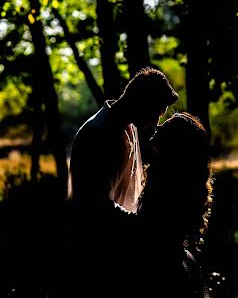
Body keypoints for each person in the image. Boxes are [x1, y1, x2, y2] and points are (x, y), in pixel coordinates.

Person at [54, 66, 179, 298]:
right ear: (142, 102)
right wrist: (147, 227)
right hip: (94, 259)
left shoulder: (129, 127)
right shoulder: (99, 135)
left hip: (119, 253)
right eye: (157, 112)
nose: (156, 121)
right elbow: (95, 208)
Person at [134, 111, 213, 298]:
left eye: (166, 127)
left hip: (163, 268)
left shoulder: (169, 185)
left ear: (175, 145)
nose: (158, 127)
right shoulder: (178, 179)